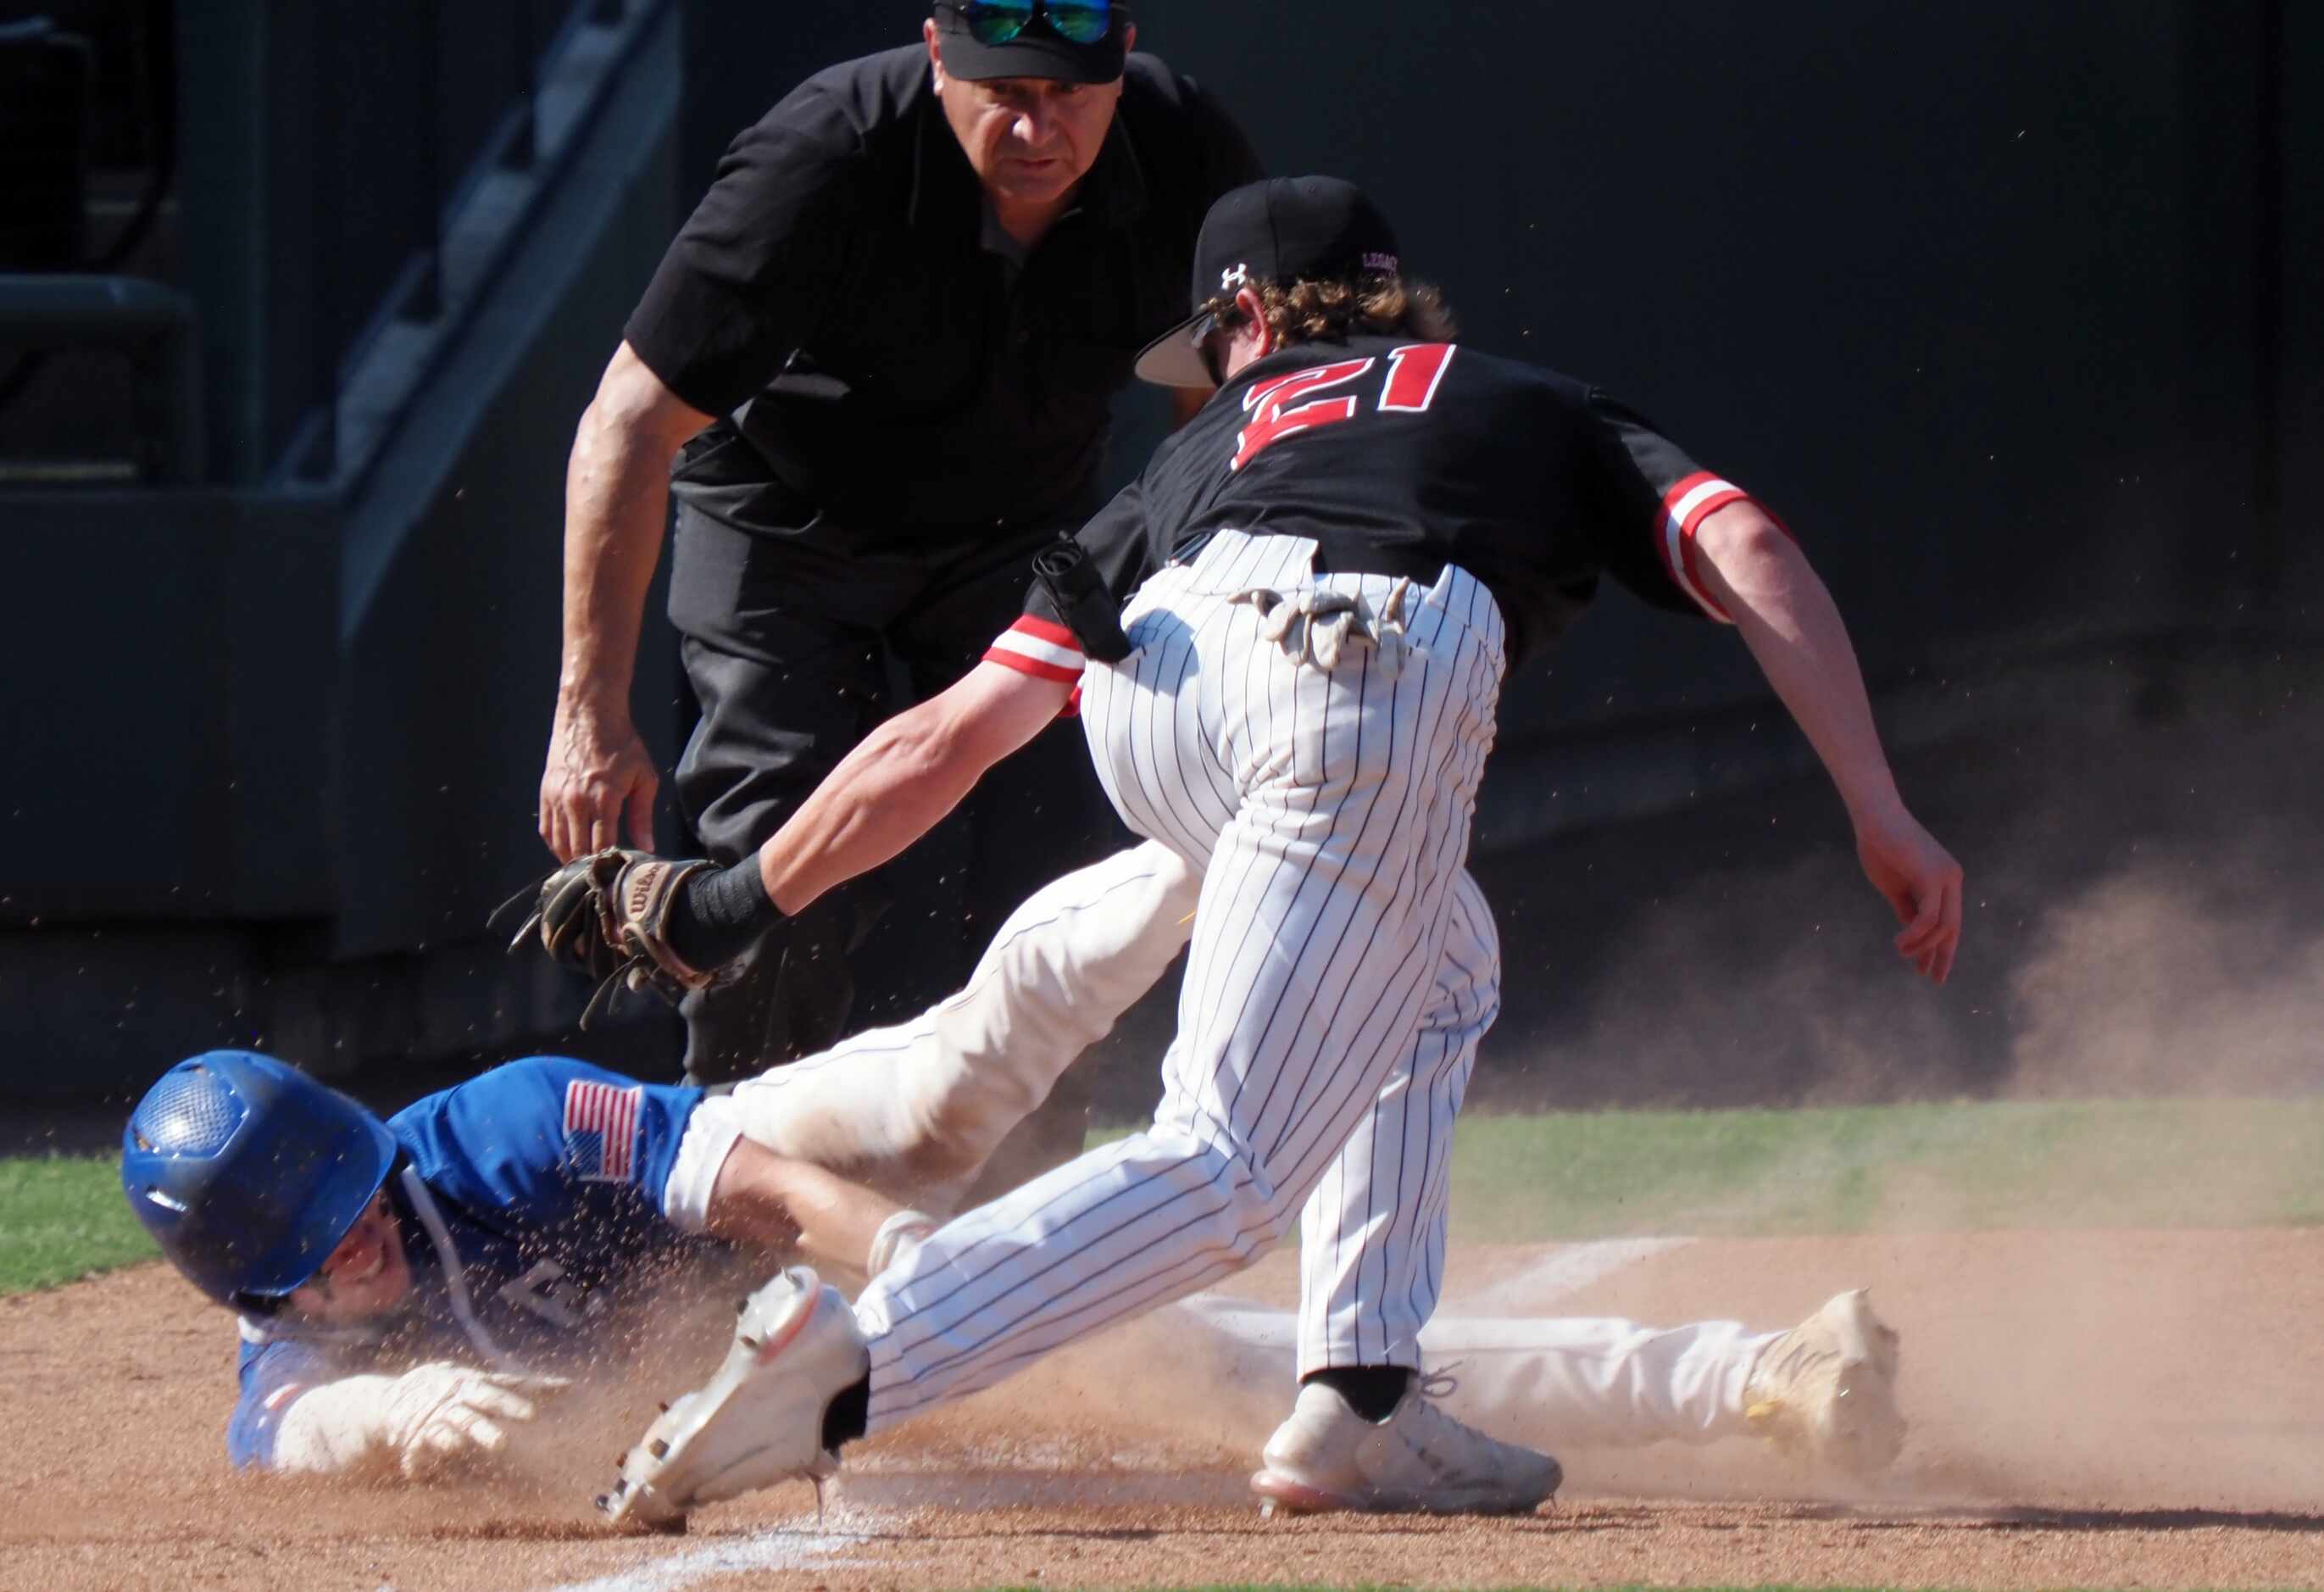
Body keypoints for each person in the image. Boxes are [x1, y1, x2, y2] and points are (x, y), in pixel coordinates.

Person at [564, 174, 1963, 1529]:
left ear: (1242, 327)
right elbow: (1747, 547)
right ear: (1396, 306)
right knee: (1227, 1162)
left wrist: (737, 898)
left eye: (1207, 345)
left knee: (1433, 962)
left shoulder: (1188, 461)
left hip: (1157, 695)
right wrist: (1876, 804)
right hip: (1351, 671)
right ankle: (851, 1365)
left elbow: (945, 739)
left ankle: (1359, 1396)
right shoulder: (1509, 394)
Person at [125, 847, 1903, 1483]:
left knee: (960, 1073)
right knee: (1253, 1378)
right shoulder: (295, 1351)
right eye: (323, 1249)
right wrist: (385, 1433)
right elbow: (286, 1438)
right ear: (260, 1288)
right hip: (782, 1354)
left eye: (355, 1193)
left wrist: (932, 1275)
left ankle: (1237, 850)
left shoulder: (497, 1130)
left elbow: (754, 1187)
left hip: (785, 1200)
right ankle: (1753, 1376)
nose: (363, 1240)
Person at [537, 0, 1262, 1126]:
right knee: (776, 856)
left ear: (1122, 62)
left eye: (1067, 94)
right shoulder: (825, 151)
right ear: (936, 58)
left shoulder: (1185, 151)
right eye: (1004, 97)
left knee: (1062, 865)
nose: (1036, 131)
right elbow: (627, 422)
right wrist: (592, 709)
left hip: (1023, 534)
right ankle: (732, 1190)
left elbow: (1212, 412)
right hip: (783, 523)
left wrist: (1182, 608)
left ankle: (1021, 1211)